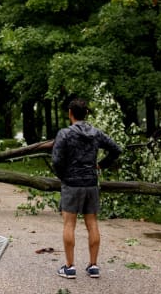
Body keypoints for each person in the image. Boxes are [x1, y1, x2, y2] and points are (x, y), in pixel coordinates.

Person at [52, 98, 122, 279]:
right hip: (91, 184)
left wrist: (64, 176)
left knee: (69, 224)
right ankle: (93, 266)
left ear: (70, 114)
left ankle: (69, 267)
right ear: (86, 114)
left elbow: (56, 161)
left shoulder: (64, 134)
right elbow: (116, 149)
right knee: (92, 224)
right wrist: (100, 165)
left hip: (72, 184)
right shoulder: (96, 133)